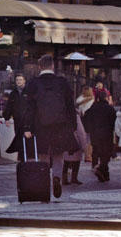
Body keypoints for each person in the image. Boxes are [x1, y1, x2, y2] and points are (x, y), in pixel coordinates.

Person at [23, 54, 79, 199]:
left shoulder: (33, 83)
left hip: (40, 125)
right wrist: (72, 126)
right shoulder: (62, 82)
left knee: (43, 154)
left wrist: (27, 127)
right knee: (58, 154)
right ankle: (57, 178)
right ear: (53, 66)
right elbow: (70, 105)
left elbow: (29, 107)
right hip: (60, 125)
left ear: (40, 67)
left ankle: (44, 181)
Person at [82, 89, 116, 182]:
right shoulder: (110, 109)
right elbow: (114, 122)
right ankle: (102, 169)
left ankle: (102, 171)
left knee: (96, 151)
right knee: (106, 154)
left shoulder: (93, 108)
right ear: (105, 98)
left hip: (95, 134)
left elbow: (85, 118)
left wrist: (88, 129)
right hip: (106, 134)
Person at [3, 73, 29, 160]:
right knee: (19, 138)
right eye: (17, 80)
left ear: (24, 81)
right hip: (17, 120)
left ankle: (27, 158)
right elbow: (9, 106)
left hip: (27, 120)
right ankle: (21, 158)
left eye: (20, 80)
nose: (19, 81)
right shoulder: (13, 93)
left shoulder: (29, 91)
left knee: (27, 139)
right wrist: (7, 118)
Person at [63, 114, 88, 186]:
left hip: (63, 140)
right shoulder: (75, 116)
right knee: (76, 161)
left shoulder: (60, 115)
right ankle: (74, 178)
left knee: (65, 160)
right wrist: (84, 145)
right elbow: (81, 132)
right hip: (74, 141)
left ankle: (64, 178)